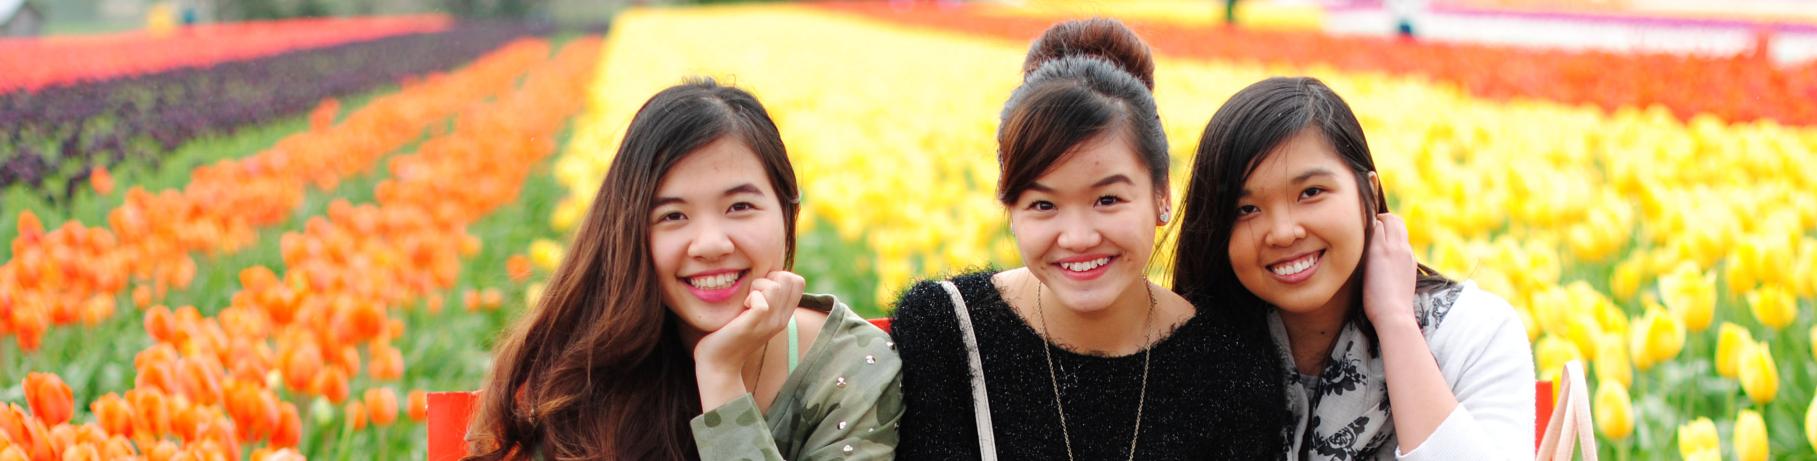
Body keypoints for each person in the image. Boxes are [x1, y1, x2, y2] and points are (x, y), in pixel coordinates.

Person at [891, 18, 1288, 460]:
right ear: (1010, 207)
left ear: (1162, 195)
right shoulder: (947, 329)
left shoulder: (1227, 367)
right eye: (1044, 205)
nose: (1078, 238)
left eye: (1108, 199)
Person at [462, 79, 901, 460]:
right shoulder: (584, 370)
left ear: (790, 214)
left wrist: (721, 375)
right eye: (673, 215)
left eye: (740, 206)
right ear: (631, 231)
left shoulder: (853, 368)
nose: (710, 244)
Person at [1172, 76, 1534, 460]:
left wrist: (1395, 320)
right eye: (1246, 210)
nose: (1282, 232)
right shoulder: (1191, 357)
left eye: (1310, 193)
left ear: (1369, 195)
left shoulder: (1470, 333)